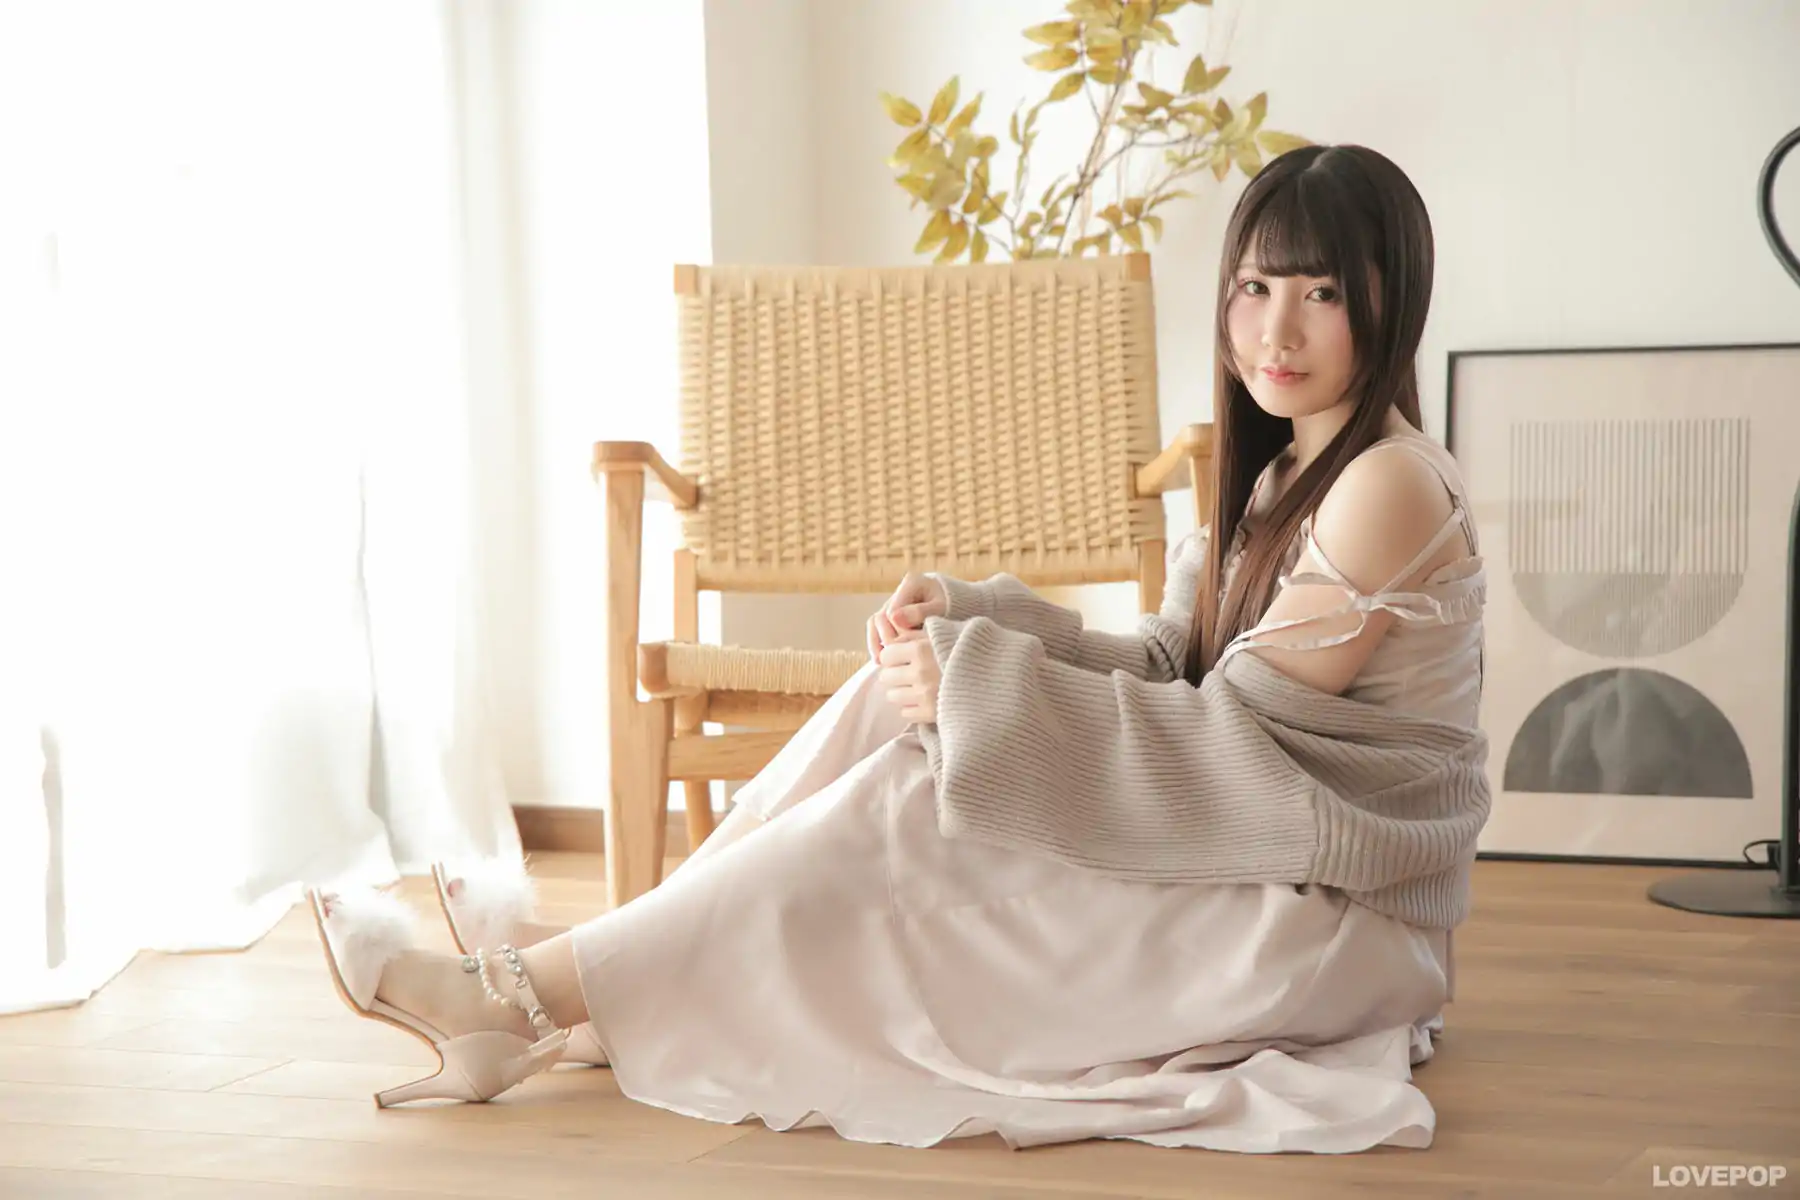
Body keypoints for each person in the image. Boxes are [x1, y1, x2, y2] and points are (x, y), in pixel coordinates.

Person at [306, 143, 1490, 1154]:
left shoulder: (1386, 486)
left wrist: (978, 688)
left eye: (1320, 293)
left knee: (913, 796)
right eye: (1254, 287)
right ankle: (583, 977)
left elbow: (1237, 755)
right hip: (1254, 863)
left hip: (1331, 917)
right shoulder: (1286, 471)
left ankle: (522, 997)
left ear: (1391, 302)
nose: (1275, 329)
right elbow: (1171, 663)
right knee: (890, 704)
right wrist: (978, 624)